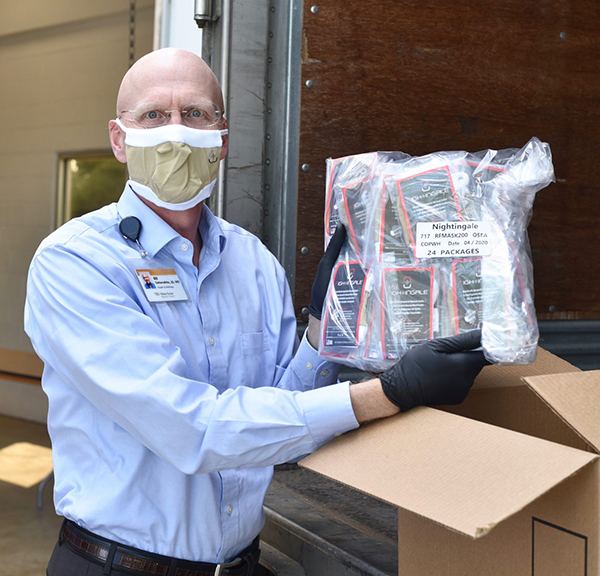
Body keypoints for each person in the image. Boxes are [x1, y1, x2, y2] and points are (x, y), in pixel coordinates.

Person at [24, 48, 488, 576]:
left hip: (243, 565)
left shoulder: (254, 262)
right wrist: (388, 393)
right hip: (116, 567)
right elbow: (191, 430)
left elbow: (283, 426)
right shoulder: (75, 262)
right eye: (154, 115)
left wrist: (323, 329)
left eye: (195, 114)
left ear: (222, 139)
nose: (176, 132)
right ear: (119, 138)